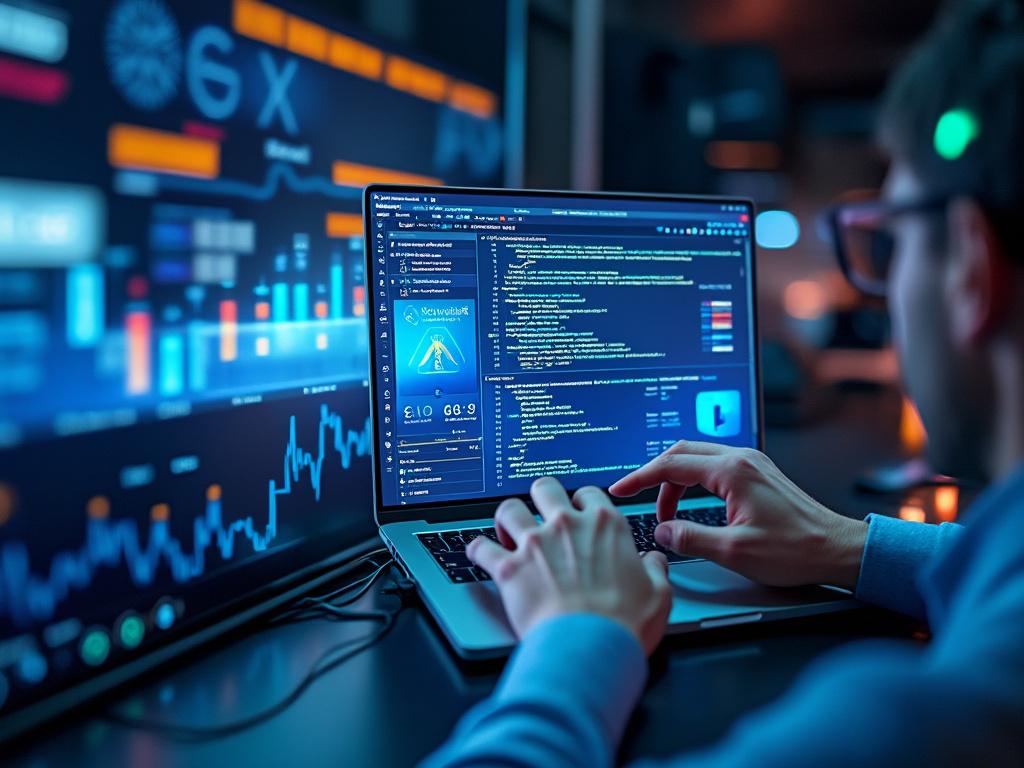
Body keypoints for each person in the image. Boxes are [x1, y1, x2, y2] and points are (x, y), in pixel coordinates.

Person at [423, 0, 1024, 765]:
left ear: (971, 269)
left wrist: (579, 640)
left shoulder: (909, 731)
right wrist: (846, 545)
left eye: (889, 242)